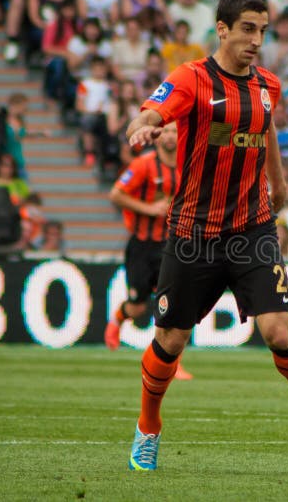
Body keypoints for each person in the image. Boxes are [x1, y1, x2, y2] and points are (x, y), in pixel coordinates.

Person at [124, 0, 288, 471]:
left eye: (262, 30)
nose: (256, 40)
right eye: (247, 28)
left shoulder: (268, 86)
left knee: (280, 331)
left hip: (251, 228)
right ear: (222, 29)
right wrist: (144, 125)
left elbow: (265, 131)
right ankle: (148, 427)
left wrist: (278, 182)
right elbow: (153, 110)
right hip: (194, 230)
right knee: (171, 341)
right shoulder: (191, 78)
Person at [105, 121, 192, 380]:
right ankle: (118, 319)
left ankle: (173, 364)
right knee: (138, 307)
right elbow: (116, 194)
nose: (170, 135)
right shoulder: (144, 164)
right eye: (165, 130)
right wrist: (150, 209)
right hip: (142, 245)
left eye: (175, 130)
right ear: (155, 136)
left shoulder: (189, 166)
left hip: (173, 246)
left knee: (175, 306)